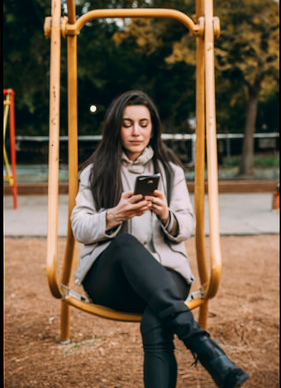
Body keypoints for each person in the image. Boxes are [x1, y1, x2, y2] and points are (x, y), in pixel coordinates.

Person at [71, 90, 249, 388]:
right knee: (126, 244)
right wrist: (114, 215)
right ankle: (204, 347)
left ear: (153, 127)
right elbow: (79, 227)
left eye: (143, 123)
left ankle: (205, 350)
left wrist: (166, 214)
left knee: (158, 319)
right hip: (111, 281)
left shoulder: (170, 170)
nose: (136, 131)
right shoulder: (95, 171)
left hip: (166, 273)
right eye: (127, 123)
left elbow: (188, 225)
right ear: (116, 126)